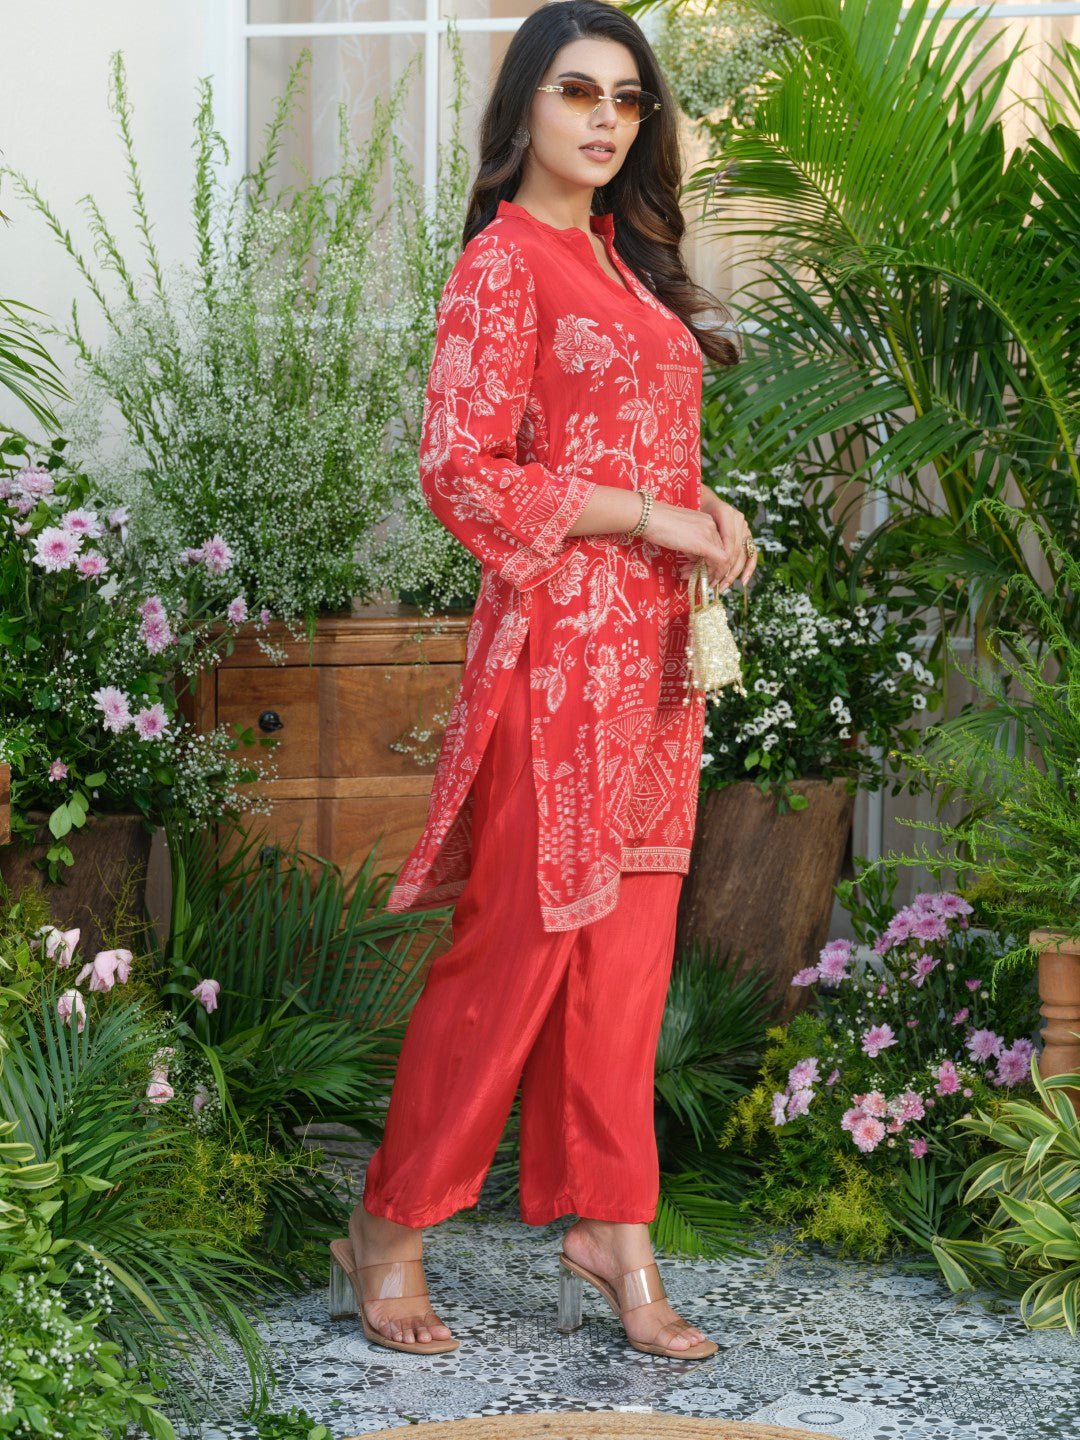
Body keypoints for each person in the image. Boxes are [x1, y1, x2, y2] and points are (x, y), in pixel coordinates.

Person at [331, 0, 757, 1361]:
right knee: (512, 955)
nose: (605, 119)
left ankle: (612, 1232)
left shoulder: (626, 264)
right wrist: (650, 516)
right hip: (556, 661)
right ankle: (388, 1223)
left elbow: (638, 443)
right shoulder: (504, 263)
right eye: (578, 91)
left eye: (627, 99)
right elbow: (461, 469)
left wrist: (710, 512)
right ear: (523, 105)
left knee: (626, 960)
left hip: (655, 665)